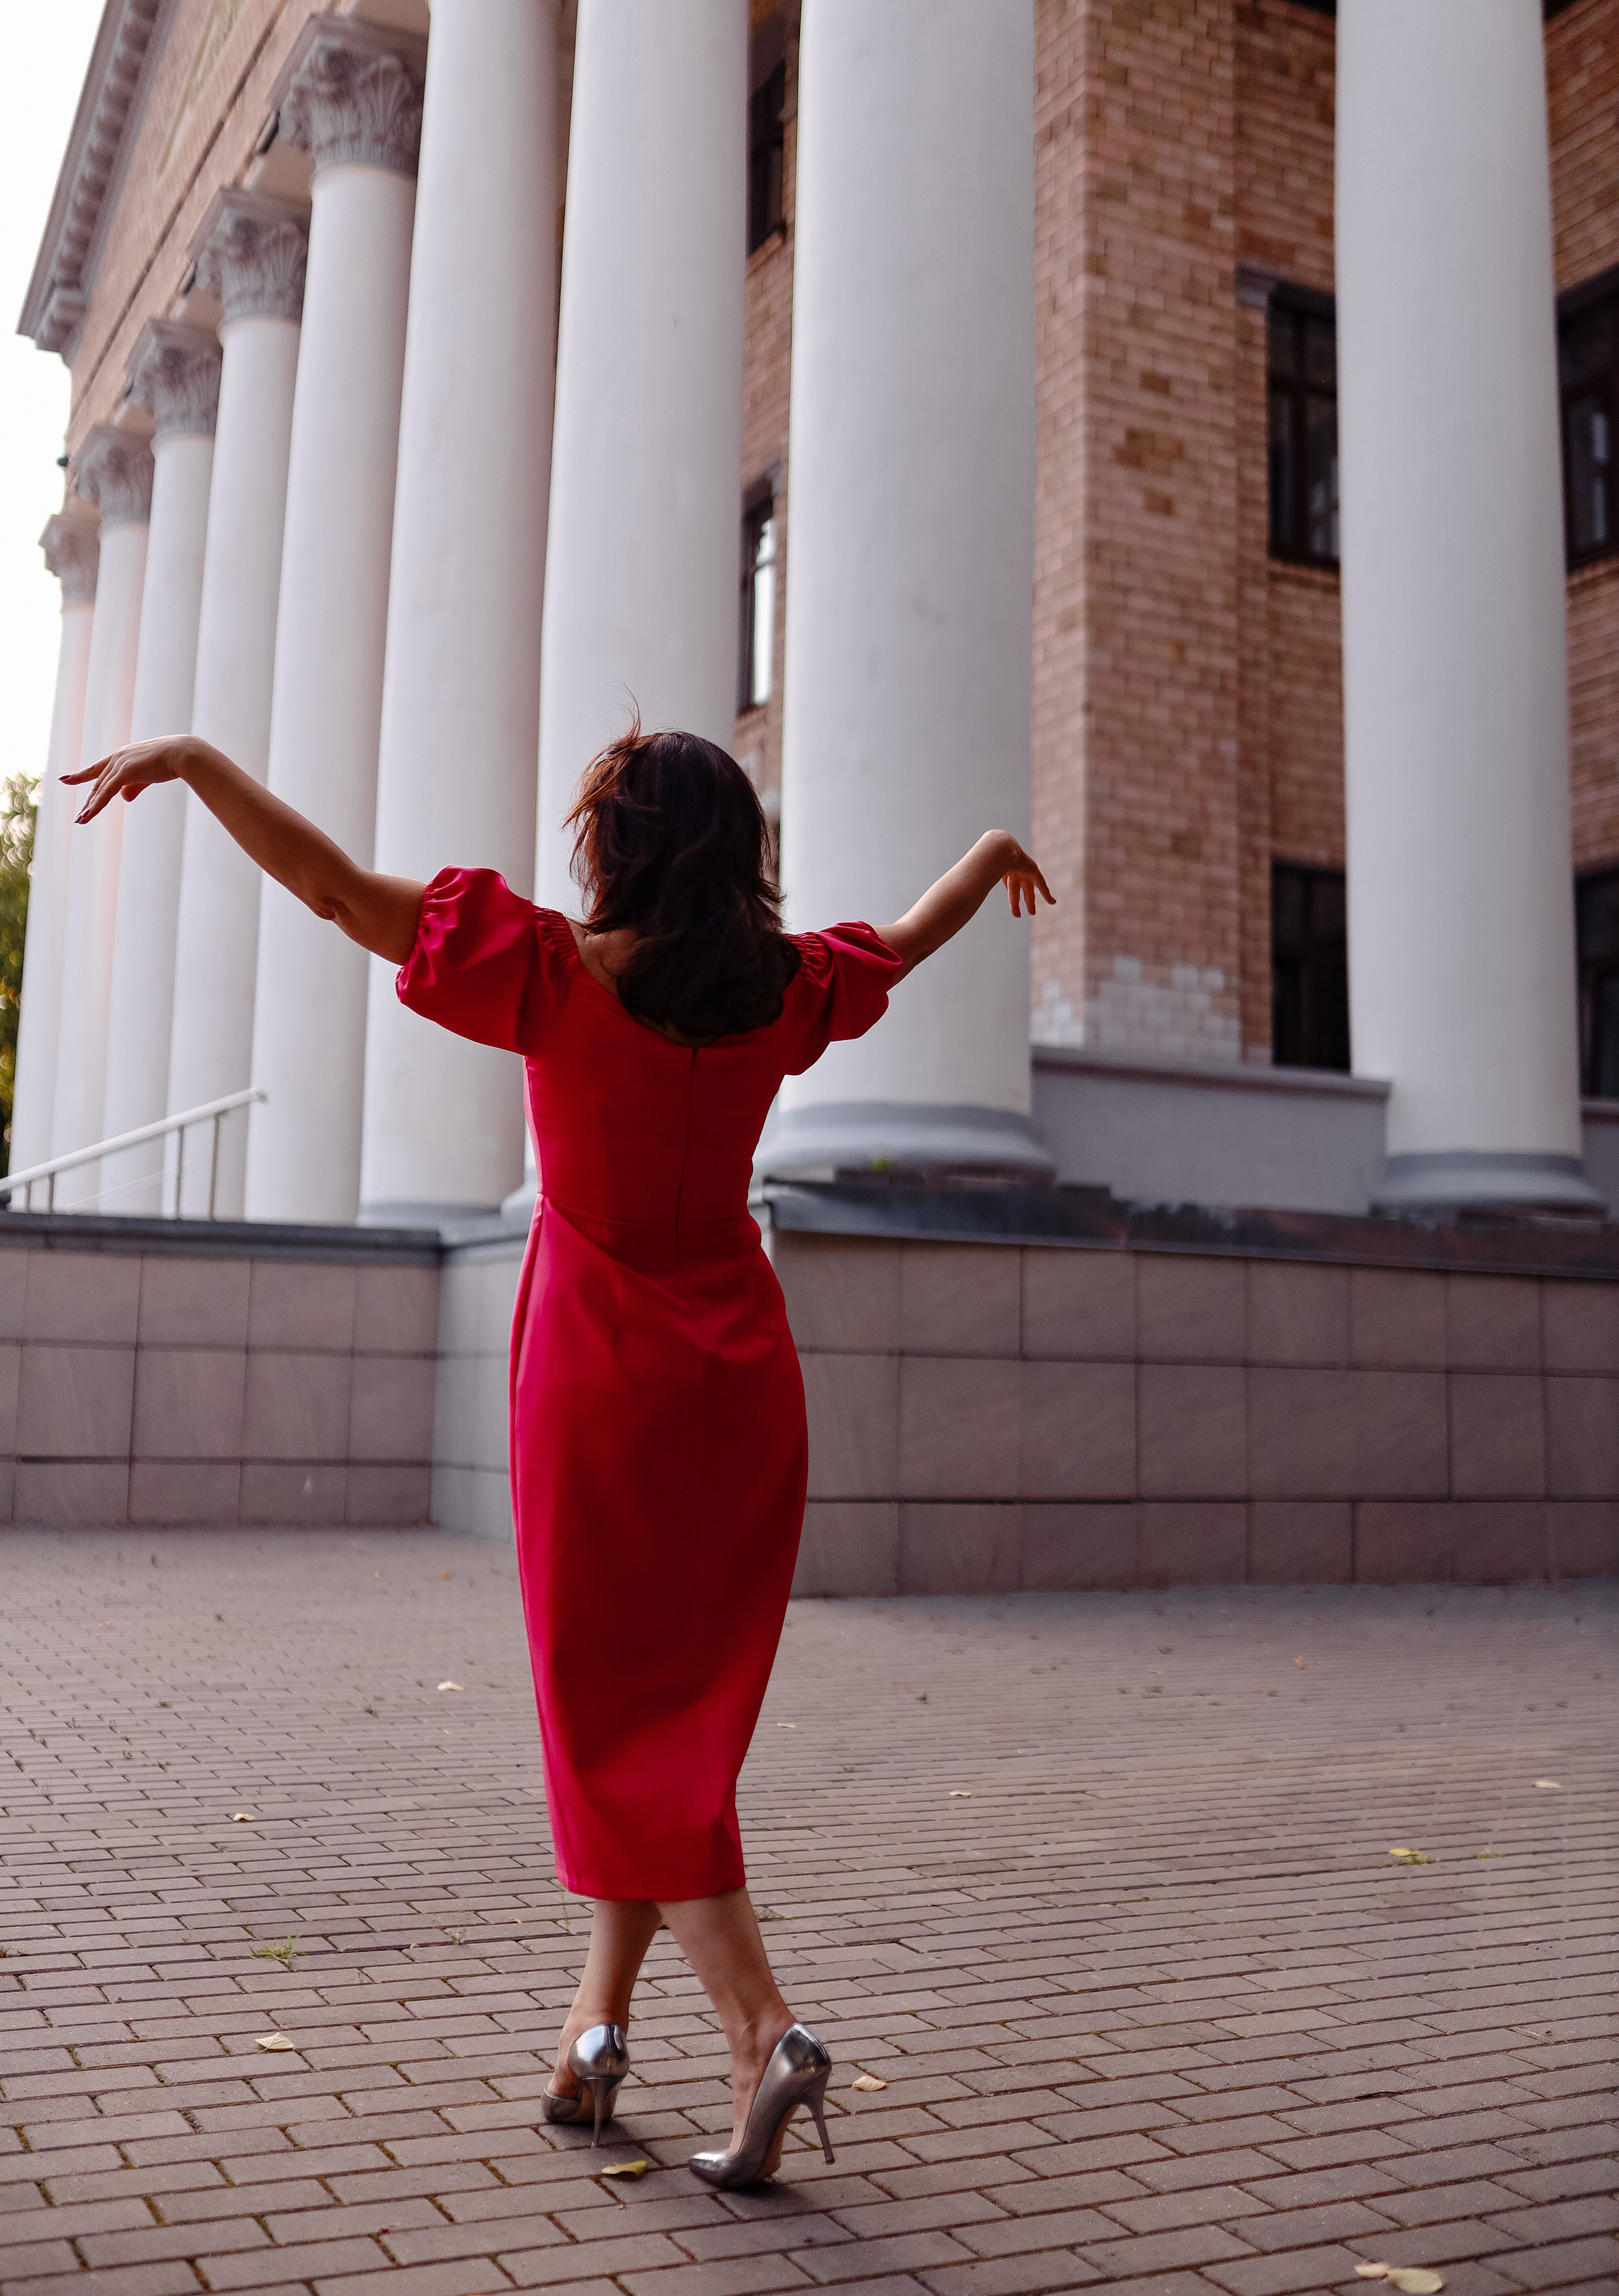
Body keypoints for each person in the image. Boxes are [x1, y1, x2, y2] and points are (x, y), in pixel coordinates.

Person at [67, 724, 1054, 2185]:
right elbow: (908, 936)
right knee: (664, 1723)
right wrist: (985, 852)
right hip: (741, 1380)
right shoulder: (793, 992)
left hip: (595, 1378)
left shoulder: (541, 974)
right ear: (737, 851)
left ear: (617, 844)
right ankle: (591, 2040)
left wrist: (204, 765)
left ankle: (756, 2027)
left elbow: (336, 891)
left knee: (609, 1723)